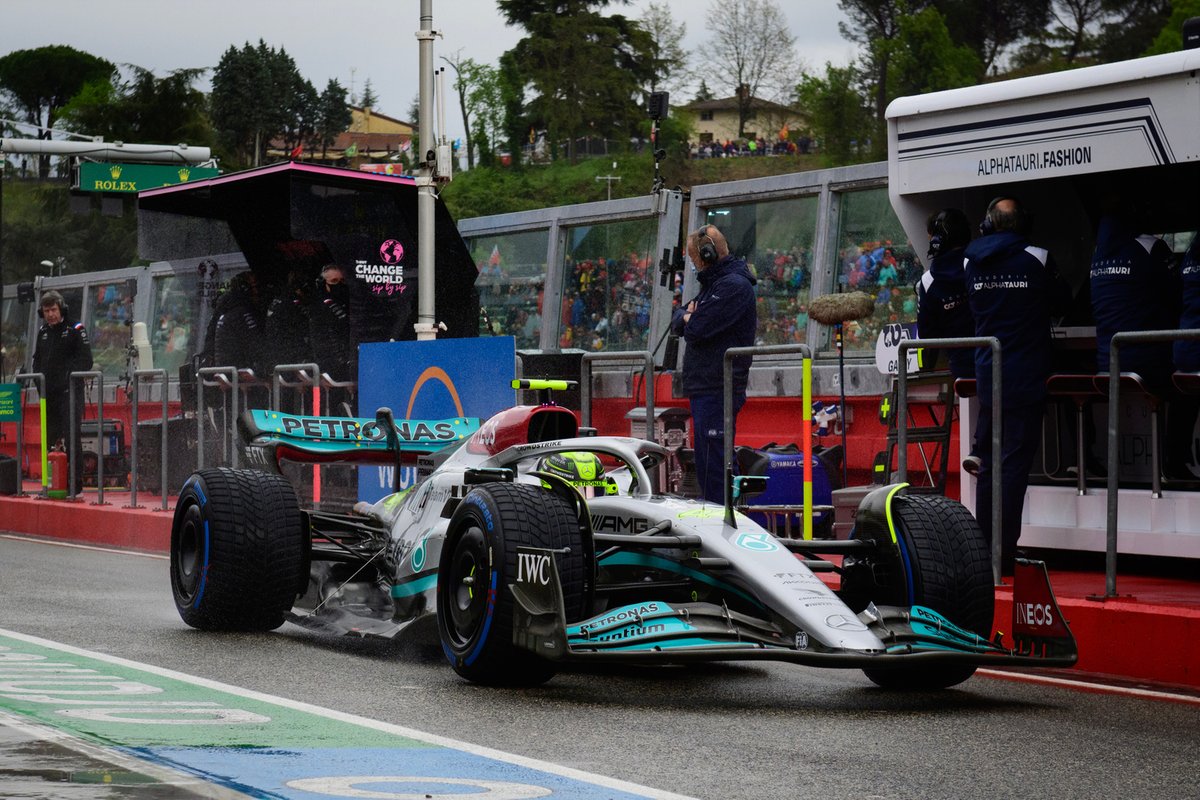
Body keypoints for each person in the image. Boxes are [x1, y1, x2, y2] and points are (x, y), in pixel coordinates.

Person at [964, 196, 1070, 573]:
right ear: (1022, 224)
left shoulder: (969, 261)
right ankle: (1003, 554)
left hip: (988, 373)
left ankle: (986, 550)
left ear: (988, 224)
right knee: (1013, 466)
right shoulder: (1037, 258)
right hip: (1025, 374)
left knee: (990, 465)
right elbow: (1062, 300)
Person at [1090, 205, 1194, 479]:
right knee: (1186, 383)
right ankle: (1175, 464)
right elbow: (1178, 293)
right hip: (1145, 364)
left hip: (1107, 367)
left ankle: (1085, 459)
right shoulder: (1150, 247)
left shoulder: (1098, 255)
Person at [670, 224, 758, 504]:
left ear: (707, 255)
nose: (694, 265)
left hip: (718, 386)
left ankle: (725, 518)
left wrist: (689, 318)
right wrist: (687, 316)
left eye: (694, 259)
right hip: (706, 386)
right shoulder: (714, 285)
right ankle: (722, 514)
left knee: (716, 464)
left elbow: (696, 329)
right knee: (711, 462)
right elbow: (677, 319)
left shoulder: (733, 286)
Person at [916, 208, 981, 474]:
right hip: (997, 363)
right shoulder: (980, 264)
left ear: (937, 239)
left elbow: (927, 336)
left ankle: (980, 451)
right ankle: (981, 450)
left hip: (962, 369)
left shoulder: (928, 280)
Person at [31, 290, 93, 489]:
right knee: (49, 438)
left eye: (53, 310)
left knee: (71, 436)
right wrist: (39, 384)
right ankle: (51, 484)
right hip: (48, 395)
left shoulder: (76, 328)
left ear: (61, 309)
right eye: (46, 311)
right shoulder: (43, 332)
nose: (50, 314)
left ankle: (75, 483)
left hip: (70, 393)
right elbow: (36, 362)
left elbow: (86, 361)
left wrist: (67, 377)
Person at [308, 264, 355, 383]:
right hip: (333, 366)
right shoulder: (321, 307)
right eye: (334, 281)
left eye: (342, 281)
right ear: (323, 284)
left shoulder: (349, 304)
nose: (339, 284)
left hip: (347, 362)